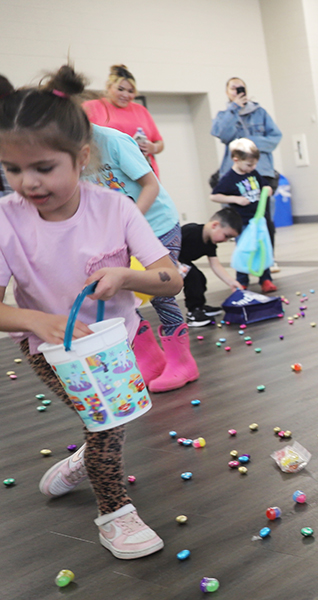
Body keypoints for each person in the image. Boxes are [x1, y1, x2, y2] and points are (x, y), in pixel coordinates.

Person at [0, 65, 183, 559]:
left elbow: (172, 278)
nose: (27, 183)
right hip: (50, 349)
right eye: (12, 169)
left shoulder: (116, 208)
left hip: (114, 342)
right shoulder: (6, 220)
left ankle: (85, 461)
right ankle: (114, 513)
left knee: (107, 418)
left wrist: (126, 276)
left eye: (43, 168)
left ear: (81, 157)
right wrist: (39, 322)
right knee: (104, 420)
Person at [88, 124, 199, 392]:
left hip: (157, 224)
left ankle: (183, 362)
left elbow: (150, 185)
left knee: (160, 290)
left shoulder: (113, 141)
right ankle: (150, 358)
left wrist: (130, 223)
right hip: (116, 232)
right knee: (119, 293)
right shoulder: (64, 150)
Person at [210, 138, 277, 293]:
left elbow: (264, 185)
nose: (252, 168)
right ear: (236, 160)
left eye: (254, 164)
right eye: (249, 165)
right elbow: (214, 196)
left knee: (261, 248)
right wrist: (235, 199)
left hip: (258, 219)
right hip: (243, 222)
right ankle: (242, 280)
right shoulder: (229, 178)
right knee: (244, 250)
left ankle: (265, 279)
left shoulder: (253, 173)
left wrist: (268, 189)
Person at [82, 65, 165, 178]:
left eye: (130, 91)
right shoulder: (91, 107)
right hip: (109, 172)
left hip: (142, 170)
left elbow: (159, 142)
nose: (125, 95)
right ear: (109, 87)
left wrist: (152, 147)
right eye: (120, 89)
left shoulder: (141, 110)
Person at [178, 208, 245, 327]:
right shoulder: (190, 231)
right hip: (170, 259)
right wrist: (176, 264)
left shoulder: (210, 244)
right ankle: (193, 313)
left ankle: (200, 307)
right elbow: (168, 246)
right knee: (193, 277)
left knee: (200, 278)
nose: (225, 241)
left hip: (183, 261)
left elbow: (215, 265)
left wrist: (231, 282)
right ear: (215, 225)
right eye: (226, 236)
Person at [211, 78, 282, 187]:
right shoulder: (222, 116)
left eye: (240, 88)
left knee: (262, 197)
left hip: (261, 170)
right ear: (227, 93)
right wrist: (234, 108)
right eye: (233, 88)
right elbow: (223, 135)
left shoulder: (260, 113)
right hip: (234, 172)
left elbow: (275, 137)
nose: (236, 91)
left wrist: (250, 144)